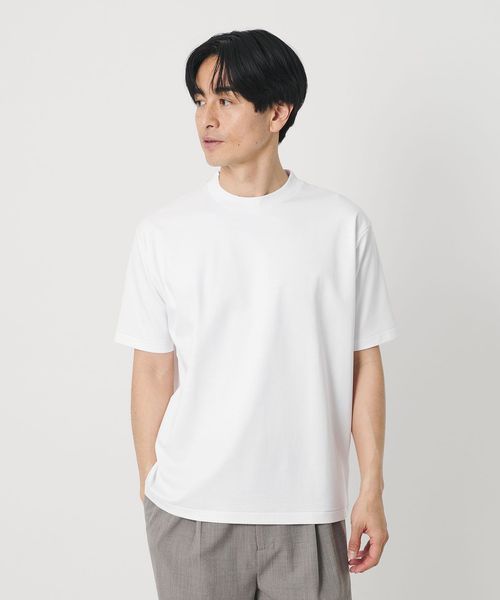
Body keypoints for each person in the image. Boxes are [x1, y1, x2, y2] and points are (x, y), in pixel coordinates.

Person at [114, 28, 398, 600]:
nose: (207, 118)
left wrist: (371, 488)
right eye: (200, 99)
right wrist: (151, 488)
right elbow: (152, 369)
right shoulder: (165, 232)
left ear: (277, 112)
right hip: (191, 513)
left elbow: (363, 363)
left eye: (226, 99)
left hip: (308, 511)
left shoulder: (341, 226)